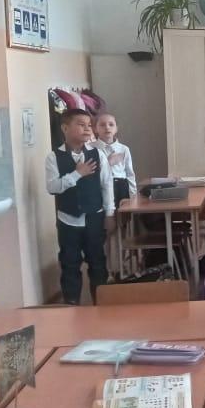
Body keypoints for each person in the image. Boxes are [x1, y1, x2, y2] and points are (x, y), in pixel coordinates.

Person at [44, 108, 115, 305]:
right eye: (81, 125)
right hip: (68, 220)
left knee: (98, 263)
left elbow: (106, 184)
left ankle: (101, 305)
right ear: (65, 128)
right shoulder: (53, 157)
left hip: (94, 217)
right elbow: (52, 187)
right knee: (69, 264)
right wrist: (77, 174)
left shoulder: (97, 154)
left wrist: (110, 213)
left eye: (89, 125)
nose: (87, 129)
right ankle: (72, 306)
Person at [92, 113, 136, 208]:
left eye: (111, 124)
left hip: (121, 186)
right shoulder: (91, 148)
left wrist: (133, 195)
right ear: (95, 129)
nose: (107, 127)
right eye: (102, 125)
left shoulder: (124, 149)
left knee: (122, 214)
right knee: (105, 214)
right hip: (100, 186)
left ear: (116, 129)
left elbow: (130, 173)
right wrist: (108, 163)